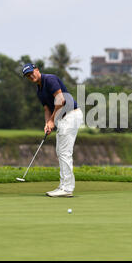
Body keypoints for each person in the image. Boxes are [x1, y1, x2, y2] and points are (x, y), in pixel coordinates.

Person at [22, 63, 83, 197]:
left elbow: (61, 101)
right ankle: (63, 186)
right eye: (27, 75)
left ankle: (67, 188)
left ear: (37, 70)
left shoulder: (50, 79)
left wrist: (52, 120)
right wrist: (47, 123)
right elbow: (46, 109)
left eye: (32, 72)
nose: (31, 76)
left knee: (65, 152)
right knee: (60, 152)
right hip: (63, 118)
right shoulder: (39, 91)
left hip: (71, 115)